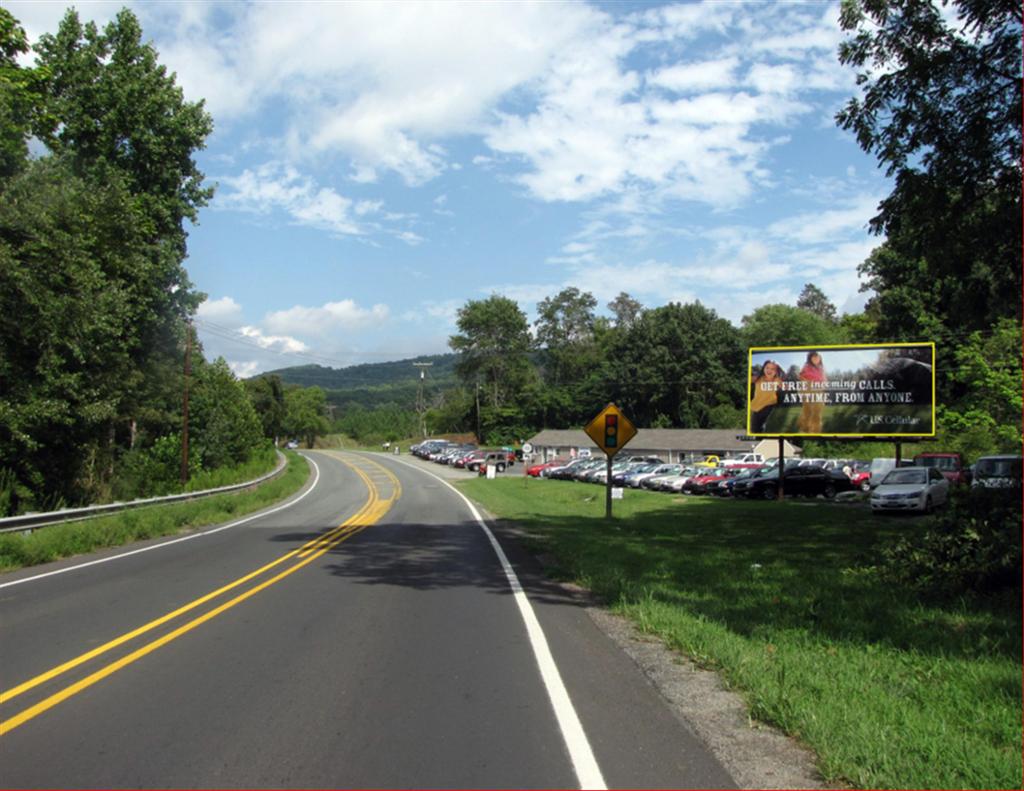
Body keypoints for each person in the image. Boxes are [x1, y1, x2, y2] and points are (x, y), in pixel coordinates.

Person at [749, 359, 783, 432]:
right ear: (763, 368)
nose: (769, 370)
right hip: (757, 406)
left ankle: (764, 434)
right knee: (754, 428)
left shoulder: (777, 380)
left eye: (772, 369)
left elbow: (786, 386)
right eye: (767, 368)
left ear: (776, 371)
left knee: (762, 425)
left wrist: (779, 368)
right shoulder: (758, 378)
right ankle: (759, 437)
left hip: (769, 405)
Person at [797, 351, 827, 434]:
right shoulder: (807, 367)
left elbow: (824, 380)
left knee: (817, 411)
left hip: (819, 390)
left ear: (820, 358)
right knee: (807, 410)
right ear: (810, 359)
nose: (816, 359)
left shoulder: (821, 369)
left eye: (817, 357)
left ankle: (815, 430)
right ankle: (804, 427)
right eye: (813, 357)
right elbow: (800, 376)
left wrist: (823, 386)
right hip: (808, 389)